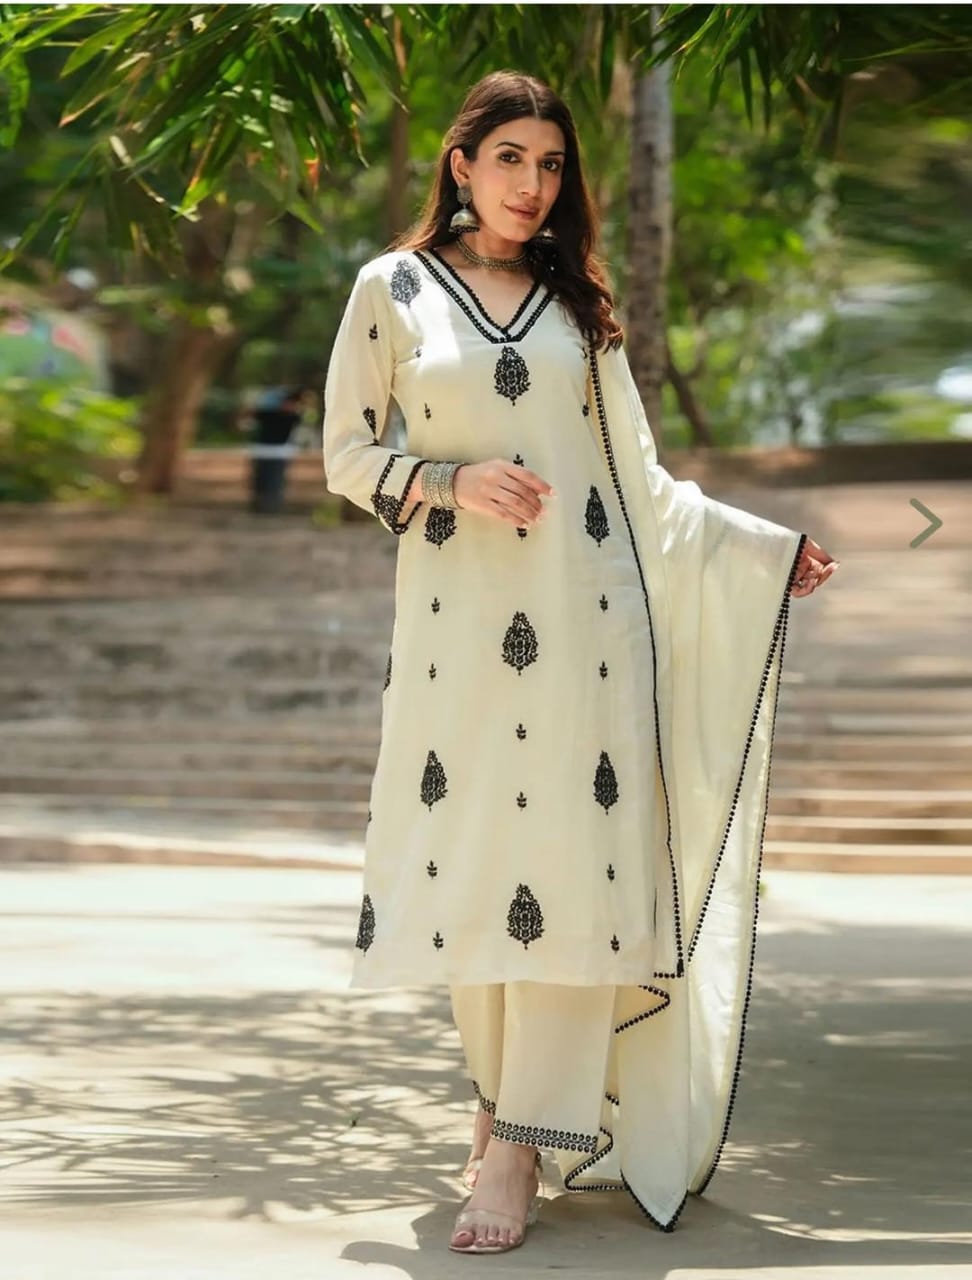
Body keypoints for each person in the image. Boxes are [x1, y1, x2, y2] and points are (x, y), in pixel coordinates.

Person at [321, 69, 838, 1256]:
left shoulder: (575, 309)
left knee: (569, 868)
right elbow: (348, 452)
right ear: (461, 164)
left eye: (551, 165)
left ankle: (516, 1148)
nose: (532, 184)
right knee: (483, 866)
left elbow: (641, 486)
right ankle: (501, 1100)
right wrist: (448, 481)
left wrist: (765, 548)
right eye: (511, 159)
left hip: (587, 635)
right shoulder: (391, 290)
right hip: (460, 636)